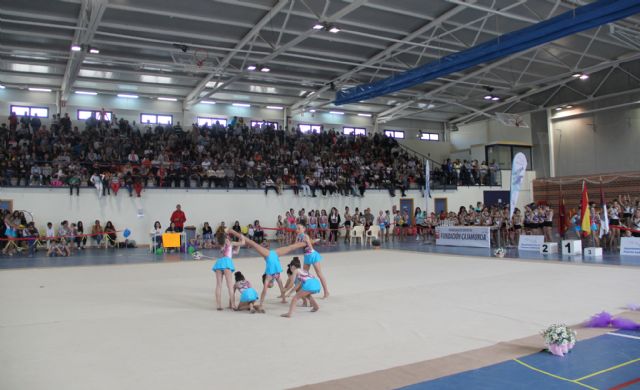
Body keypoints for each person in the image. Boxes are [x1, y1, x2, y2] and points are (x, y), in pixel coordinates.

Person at [227, 229, 305, 307]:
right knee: (290, 247)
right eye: (271, 285)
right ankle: (306, 242)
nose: (270, 285)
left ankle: (232, 231)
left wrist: (261, 303)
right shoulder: (276, 276)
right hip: (274, 254)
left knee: (253, 243)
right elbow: (282, 288)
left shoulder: (268, 276)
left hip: (269, 255)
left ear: (265, 281)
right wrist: (283, 299)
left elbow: (264, 291)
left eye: (269, 285)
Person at [212, 233, 245, 310]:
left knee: (218, 285)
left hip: (219, 263)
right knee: (230, 285)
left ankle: (218, 305)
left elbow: (236, 252)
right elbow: (243, 242)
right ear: (226, 237)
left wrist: (239, 243)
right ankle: (233, 305)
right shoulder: (230, 242)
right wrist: (242, 237)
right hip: (226, 263)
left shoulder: (222, 244)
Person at [296, 223, 329, 298]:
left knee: (319, 274)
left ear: (304, 229)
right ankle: (304, 292)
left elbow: (310, 248)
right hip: (306, 257)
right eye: (296, 228)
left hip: (312, 255)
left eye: (299, 228)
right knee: (303, 275)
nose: (297, 230)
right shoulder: (298, 236)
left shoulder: (305, 236)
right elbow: (296, 245)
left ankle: (326, 292)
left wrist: (309, 242)